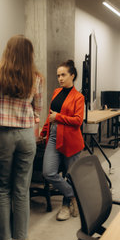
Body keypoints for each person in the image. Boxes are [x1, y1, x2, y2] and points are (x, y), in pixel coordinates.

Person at [0, 35, 43, 240]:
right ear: (29, 55)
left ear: (8, 52)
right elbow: (38, 110)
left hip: (3, 136)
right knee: (21, 188)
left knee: (3, 188)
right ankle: (20, 237)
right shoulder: (35, 78)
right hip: (26, 136)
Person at [40, 60, 84, 221]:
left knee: (69, 175)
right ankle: (74, 196)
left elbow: (78, 121)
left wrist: (57, 117)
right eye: (58, 75)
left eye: (63, 75)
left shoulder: (78, 97)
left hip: (71, 139)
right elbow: (50, 115)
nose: (60, 78)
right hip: (53, 136)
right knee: (49, 172)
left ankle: (65, 207)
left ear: (72, 75)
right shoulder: (56, 92)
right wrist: (44, 130)